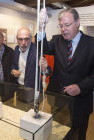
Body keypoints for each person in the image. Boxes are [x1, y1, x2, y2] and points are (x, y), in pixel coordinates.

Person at [38, 8, 94, 140]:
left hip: (81, 102)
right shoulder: (57, 40)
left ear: (78, 22)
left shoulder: (91, 44)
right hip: (59, 100)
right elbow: (44, 47)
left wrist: (81, 87)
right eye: (61, 26)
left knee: (78, 135)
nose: (63, 29)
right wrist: (41, 28)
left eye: (67, 25)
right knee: (59, 135)